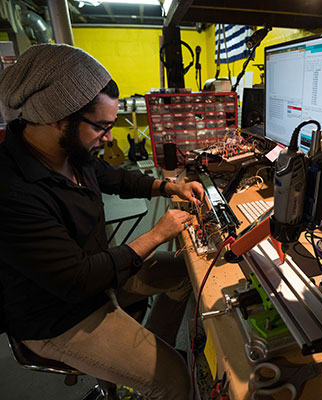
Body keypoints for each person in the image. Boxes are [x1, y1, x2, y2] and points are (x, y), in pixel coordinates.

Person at [0, 43, 204, 400]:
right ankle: (158, 376)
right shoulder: (12, 190)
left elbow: (114, 177)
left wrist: (171, 186)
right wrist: (157, 234)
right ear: (59, 118)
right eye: (102, 127)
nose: (109, 137)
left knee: (187, 273)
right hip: (60, 315)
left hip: (98, 278)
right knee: (177, 383)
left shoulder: (69, 151)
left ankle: (151, 358)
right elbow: (77, 280)